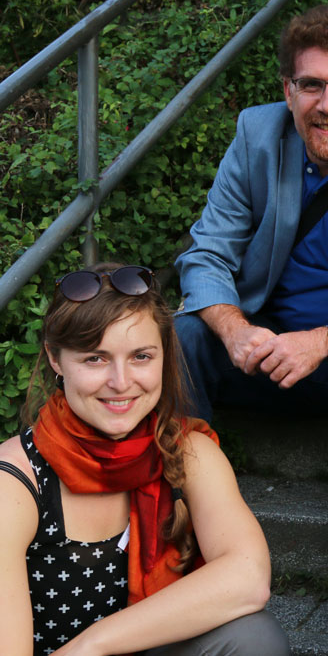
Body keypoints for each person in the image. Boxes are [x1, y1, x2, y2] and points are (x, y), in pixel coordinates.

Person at [172, 4, 328, 584]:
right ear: (288, 91)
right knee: (183, 335)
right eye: (312, 84)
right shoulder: (256, 137)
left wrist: (327, 339)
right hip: (260, 354)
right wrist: (235, 330)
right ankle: (187, 527)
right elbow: (208, 253)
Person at [0, 264, 287, 655]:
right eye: (95, 359)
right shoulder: (15, 484)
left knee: (253, 638)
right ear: (55, 358)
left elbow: (248, 576)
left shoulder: (187, 450)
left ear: (164, 355)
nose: (121, 382)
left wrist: (92, 645)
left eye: (140, 356)